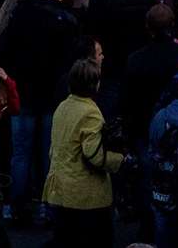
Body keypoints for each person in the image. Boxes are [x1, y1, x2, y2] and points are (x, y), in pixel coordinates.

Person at [46, 57, 125, 243]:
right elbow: (95, 156)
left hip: (60, 189)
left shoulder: (62, 107)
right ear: (95, 85)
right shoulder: (91, 113)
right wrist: (121, 159)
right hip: (86, 196)